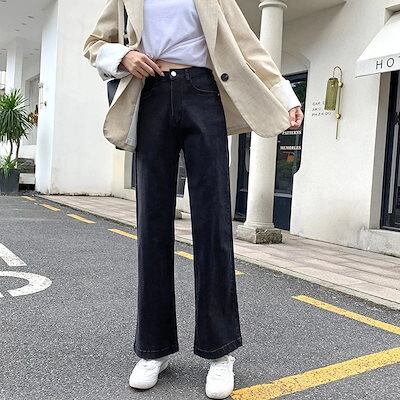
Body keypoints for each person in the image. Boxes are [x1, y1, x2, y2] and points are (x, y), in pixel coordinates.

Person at [83, 0, 303, 398]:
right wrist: (124, 56)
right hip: (150, 95)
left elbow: (246, 44)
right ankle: (154, 349)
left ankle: (220, 352)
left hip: (203, 94)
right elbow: (95, 44)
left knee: (213, 225)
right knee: (152, 228)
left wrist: (284, 94)